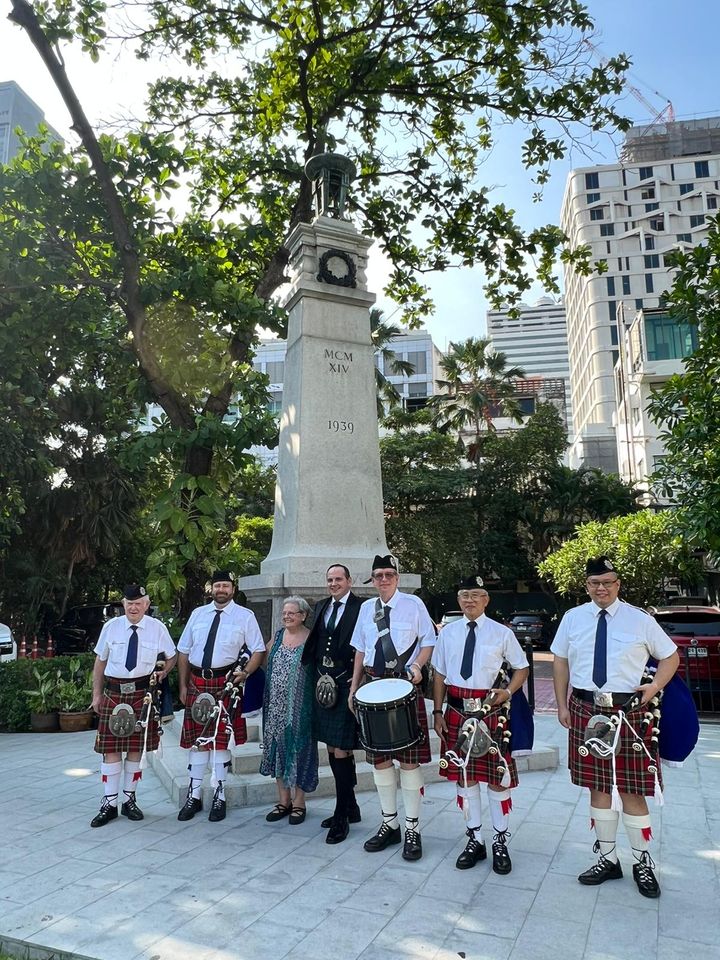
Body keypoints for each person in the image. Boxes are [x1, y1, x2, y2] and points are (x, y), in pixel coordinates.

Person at [551, 556, 680, 898]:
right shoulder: (572, 618)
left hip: (629, 711)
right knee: (598, 788)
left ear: (618, 584)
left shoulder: (640, 620)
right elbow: (560, 661)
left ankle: (642, 862)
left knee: (632, 790)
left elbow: (671, 656)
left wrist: (654, 687)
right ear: (586, 585)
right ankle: (608, 859)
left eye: (608, 582)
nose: (601, 588)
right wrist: (562, 704)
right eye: (595, 583)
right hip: (584, 708)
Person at [433, 576, 529, 874]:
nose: (469, 600)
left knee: (497, 778)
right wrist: (437, 712)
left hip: (491, 711)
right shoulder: (447, 633)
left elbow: (522, 668)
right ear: (459, 600)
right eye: (464, 595)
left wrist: (509, 692)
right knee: (465, 777)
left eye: (475, 595)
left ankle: (500, 840)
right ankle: (474, 838)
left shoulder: (501, 633)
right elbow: (438, 674)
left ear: (486, 599)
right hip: (456, 710)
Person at [349, 554, 435, 861]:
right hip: (372, 687)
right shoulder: (364, 609)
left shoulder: (413, 605)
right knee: (380, 761)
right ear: (372, 580)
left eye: (388, 574)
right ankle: (390, 824)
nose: (383, 579)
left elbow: (428, 640)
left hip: (404, 687)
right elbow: (360, 648)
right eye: (378, 575)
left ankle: (413, 828)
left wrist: (418, 666)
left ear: (397, 577)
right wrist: (353, 686)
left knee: (409, 762)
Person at [176, 570, 265, 823]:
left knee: (220, 742)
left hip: (225, 683)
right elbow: (183, 651)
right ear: (211, 589)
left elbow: (258, 650)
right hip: (196, 682)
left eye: (225, 585)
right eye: (217, 586)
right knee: (198, 741)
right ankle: (193, 795)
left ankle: (219, 794)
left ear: (232, 589)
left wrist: (246, 673)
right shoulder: (198, 614)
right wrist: (182, 686)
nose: (221, 590)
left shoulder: (244, 616)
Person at [90, 584, 176, 827]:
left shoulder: (157, 629)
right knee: (111, 749)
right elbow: (100, 662)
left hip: (142, 693)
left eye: (139, 603)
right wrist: (96, 695)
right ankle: (109, 802)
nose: (134, 607)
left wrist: (164, 672)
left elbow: (172, 656)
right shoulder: (111, 627)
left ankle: (129, 800)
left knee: (136, 750)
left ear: (146, 605)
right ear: (124, 605)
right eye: (129, 604)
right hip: (114, 692)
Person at [302, 564, 363, 844]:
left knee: (341, 748)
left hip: (345, 681)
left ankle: (341, 814)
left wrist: (356, 684)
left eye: (339, 579)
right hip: (322, 683)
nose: (334, 583)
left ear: (349, 581)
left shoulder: (361, 607)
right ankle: (350, 807)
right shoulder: (321, 606)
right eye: (330, 579)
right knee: (331, 746)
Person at [260, 596, 319, 823]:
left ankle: (299, 802)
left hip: (301, 708)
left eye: (291, 613)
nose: (286, 616)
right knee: (277, 750)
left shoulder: (311, 639)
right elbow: (262, 657)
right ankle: (283, 801)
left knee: (300, 751)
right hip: (274, 706)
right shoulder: (276, 637)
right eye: (285, 613)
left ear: (303, 615)